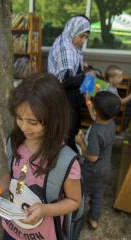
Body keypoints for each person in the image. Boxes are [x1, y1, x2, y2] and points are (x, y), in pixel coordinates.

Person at [0, 73, 82, 240]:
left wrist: (45, 210)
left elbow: (74, 201)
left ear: (54, 119)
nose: (24, 127)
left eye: (33, 122)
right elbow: (13, 178)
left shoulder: (65, 162)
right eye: (19, 118)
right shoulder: (14, 143)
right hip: (11, 228)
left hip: (42, 235)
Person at [75, 91, 121, 230]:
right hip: (105, 168)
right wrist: (88, 102)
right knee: (98, 193)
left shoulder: (95, 131)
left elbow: (92, 157)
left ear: (96, 111)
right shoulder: (111, 122)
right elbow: (96, 117)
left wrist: (81, 141)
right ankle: (94, 218)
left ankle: (77, 215)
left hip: (91, 170)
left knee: (82, 192)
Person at [48, 15, 91, 152]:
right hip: (63, 96)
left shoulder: (69, 43)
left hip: (68, 95)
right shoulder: (65, 49)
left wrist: (83, 70)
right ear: (73, 30)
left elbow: (73, 70)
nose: (83, 41)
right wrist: (87, 77)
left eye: (86, 37)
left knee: (71, 127)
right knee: (68, 130)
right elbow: (65, 81)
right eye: (81, 36)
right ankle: (68, 159)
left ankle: (70, 156)